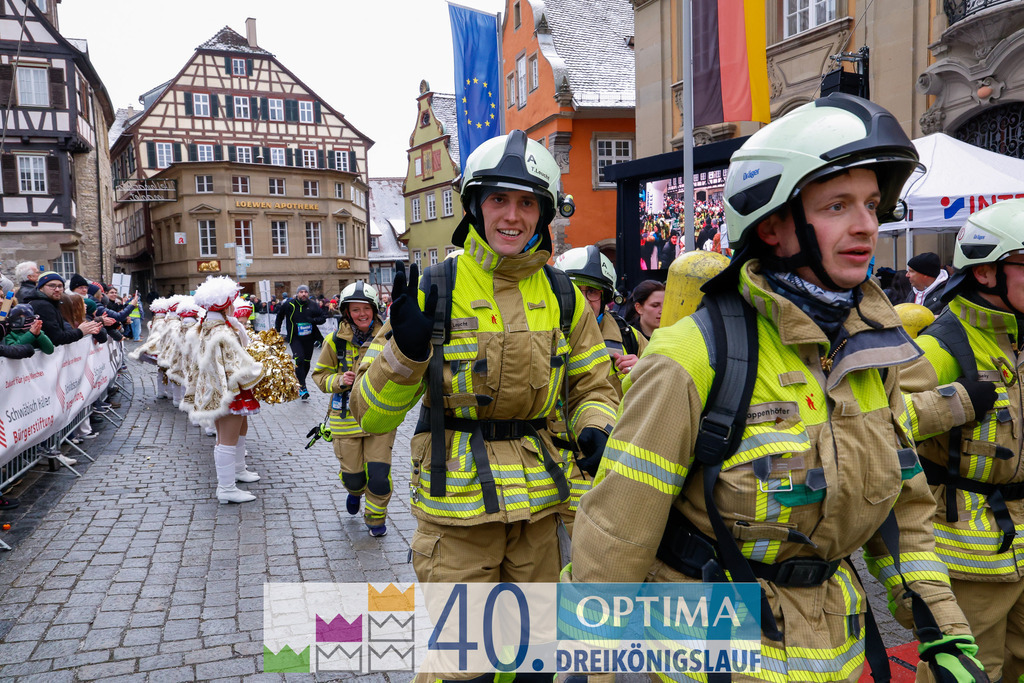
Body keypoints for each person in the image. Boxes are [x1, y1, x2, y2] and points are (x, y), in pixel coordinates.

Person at [569, 93, 984, 682]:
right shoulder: (692, 356)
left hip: (837, 650)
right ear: (771, 224)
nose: (866, 225)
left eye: (871, 204)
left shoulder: (873, 353)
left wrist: (944, 634)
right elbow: (616, 534)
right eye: (837, 205)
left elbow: (902, 516)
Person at [351, 130, 618, 681]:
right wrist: (406, 353)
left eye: (527, 203)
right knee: (463, 662)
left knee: (537, 655)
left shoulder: (564, 295)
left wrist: (597, 424)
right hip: (458, 508)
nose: (512, 216)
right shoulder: (435, 287)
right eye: (499, 199)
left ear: (543, 213)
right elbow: (370, 414)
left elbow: (593, 385)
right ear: (475, 205)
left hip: (539, 508)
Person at [900, 198, 1024, 681]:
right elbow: (877, 426)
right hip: (968, 559)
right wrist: (956, 403)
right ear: (987, 273)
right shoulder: (942, 345)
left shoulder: (1018, 337)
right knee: (972, 672)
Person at [553, 245, 647, 532]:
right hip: (551, 477)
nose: (583, 300)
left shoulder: (630, 338)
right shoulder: (537, 334)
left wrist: (644, 372)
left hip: (611, 472)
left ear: (606, 297)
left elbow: (663, 398)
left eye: (592, 292)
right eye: (575, 290)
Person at [312, 281, 396, 537]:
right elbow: (319, 376)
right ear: (346, 312)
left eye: (366, 308)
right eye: (355, 309)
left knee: (379, 476)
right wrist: (339, 380)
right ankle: (354, 491)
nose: (362, 314)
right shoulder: (334, 341)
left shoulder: (389, 339)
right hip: (345, 420)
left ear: (375, 309)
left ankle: (376, 520)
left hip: (379, 418)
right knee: (354, 477)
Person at [180, 277, 264, 504]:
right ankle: (226, 488)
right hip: (227, 391)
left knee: (234, 431)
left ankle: (238, 470)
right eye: (232, 303)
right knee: (226, 438)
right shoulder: (221, 331)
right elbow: (236, 366)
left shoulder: (207, 326)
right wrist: (263, 368)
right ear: (225, 306)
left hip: (217, 388)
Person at [274, 284, 326, 401]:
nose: (303, 294)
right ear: (297, 293)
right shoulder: (289, 304)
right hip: (295, 338)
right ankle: (303, 387)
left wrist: (313, 320)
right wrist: (277, 330)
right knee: (300, 359)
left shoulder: (313, 305)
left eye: (305, 292)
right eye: (301, 292)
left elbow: (323, 317)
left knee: (306, 363)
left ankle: (299, 382)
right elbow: (280, 316)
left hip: (309, 338)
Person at [24, 272, 102, 346]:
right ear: (41, 288)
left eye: (60, 286)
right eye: (52, 286)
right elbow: (57, 338)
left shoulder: (53, 302)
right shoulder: (43, 305)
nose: (57, 289)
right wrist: (80, 331)